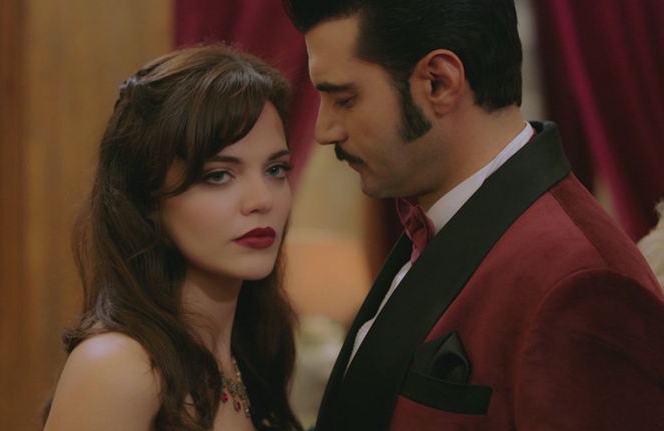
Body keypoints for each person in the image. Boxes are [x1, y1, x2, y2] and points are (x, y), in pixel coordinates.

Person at [283, 1, 664, 429]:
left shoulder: (586, 286)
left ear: (439, 82)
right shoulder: (439, 220)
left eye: (345, 99)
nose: (324, 131)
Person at [42, 45, 303, 431]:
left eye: (276, 169)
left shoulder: (250, 355)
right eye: (218, 175)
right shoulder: (118, 367)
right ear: (147, 198)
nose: (262, 200)